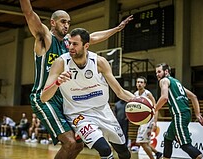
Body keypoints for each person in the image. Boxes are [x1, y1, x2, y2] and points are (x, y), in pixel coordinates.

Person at [19, 0, 133, 158]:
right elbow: (29, 14)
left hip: (64, 97)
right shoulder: (44, 38)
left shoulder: (69, 44)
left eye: (68, 23)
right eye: (63, 21)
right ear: (53, 22)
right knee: (71, 142)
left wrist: (117, 29)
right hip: (44, 97)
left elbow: (92, 38)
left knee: (77, 145)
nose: (66, 25)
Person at [41, 28, 136, 159]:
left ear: (86, 46)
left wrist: (139, 100)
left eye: (75, 44)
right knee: (105, 149)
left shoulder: (99, 62)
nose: (70, 47)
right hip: (79, 114)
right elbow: (44, 97)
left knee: (124, 152)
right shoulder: (60, 63)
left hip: (103, 111)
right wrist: (57, 83)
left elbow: (119, 92)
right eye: (69, 43)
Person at [155, 63, 203, 159]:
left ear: (166, 72)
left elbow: (164, 97)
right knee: (167, 139)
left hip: (179, 114)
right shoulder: (176, 82)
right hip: (185, 114)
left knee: (185, 145)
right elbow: (193, 96)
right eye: (156, 72)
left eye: (159, 72)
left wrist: (154, 109)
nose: (157, 74)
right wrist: (197, 114)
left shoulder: (164, 81)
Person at [134, 76, 162, 159]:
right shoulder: (135, 94)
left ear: (145, 84)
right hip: (142, 121)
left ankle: (153, 157)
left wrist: (155, 122)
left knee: (141, 142)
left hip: (149, 119)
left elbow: (155, 107)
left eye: (141, 82)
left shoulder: (147, 94)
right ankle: (157, 153)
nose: (139, 84)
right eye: (138, 82)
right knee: (144, 142)